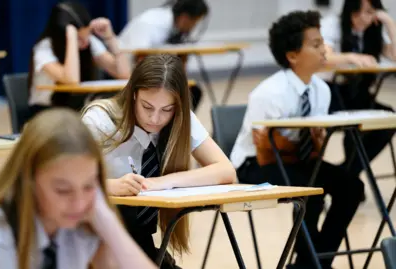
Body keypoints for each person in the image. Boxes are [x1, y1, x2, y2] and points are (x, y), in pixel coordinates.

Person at [0, 109, 157, 269]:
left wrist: (108, 222)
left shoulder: (81, 225)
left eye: (89, 186)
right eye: (62, 190)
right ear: (28, 181)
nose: (79, 203)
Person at [230, 10, 364, 269]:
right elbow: (265, 151)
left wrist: (308, 145)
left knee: (351, 187)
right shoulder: (268, 93)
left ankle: (312, 262)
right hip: (253, 165)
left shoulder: (321, 90)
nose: (325, 49)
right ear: (292, 56)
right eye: (315, 44)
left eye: (322, 41)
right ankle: (311, 264)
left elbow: (315, 147)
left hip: (295, 162)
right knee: (310, 189)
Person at [82, 54, 235, 269]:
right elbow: (62, 183)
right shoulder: (100, 119)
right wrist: (111, 186)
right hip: (95, 240)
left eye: (166, 110)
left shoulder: (181, 119)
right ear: (134, 94)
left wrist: (163, 182)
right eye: (147, 107)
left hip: (140, 240)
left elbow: (226, 170)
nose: (155, 119)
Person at [319, 0, 396, 181]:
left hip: (358, 92)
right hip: (331, 93)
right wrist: (351, 57)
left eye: (369, 12)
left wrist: (388, 22)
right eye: (357, 12)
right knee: (354, 126)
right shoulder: (333, 24)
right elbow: (324, 58)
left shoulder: (374, 31)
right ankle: (348, 177)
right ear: (348, 11)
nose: (363, 18)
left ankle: (347, 173)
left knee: (389, 119)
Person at [28, 1, 131, 117]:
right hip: (46, 112)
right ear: (63, 34)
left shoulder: (88, 41)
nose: (86, 43)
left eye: (88, 35)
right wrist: (72, 38)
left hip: (77, 109)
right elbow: (72, 80)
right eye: (80, 38)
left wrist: (110, 37)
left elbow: (124, 74)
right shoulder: (44, 48)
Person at [118, 0, 209, 111]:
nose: (193, 27)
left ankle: (180, 126)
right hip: (126, 71)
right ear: (185, 18)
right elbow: (140, 58)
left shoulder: (171, 24)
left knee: (191, 91)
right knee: (182, 92)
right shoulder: (153, 23)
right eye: (194, 23)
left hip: (150, 72)